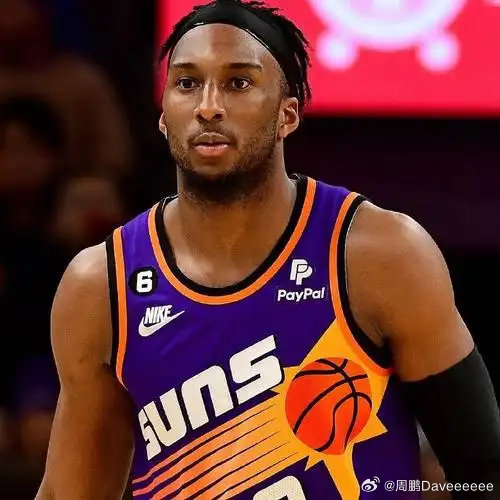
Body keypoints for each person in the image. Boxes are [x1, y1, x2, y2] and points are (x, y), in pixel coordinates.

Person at [37, 1, 500, 498]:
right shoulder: (101, 284)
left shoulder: (379, 254)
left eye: (238, 82)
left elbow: (484, 472)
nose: (208, 106)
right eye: (187, 83)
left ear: (287, 114)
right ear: (164, 114)